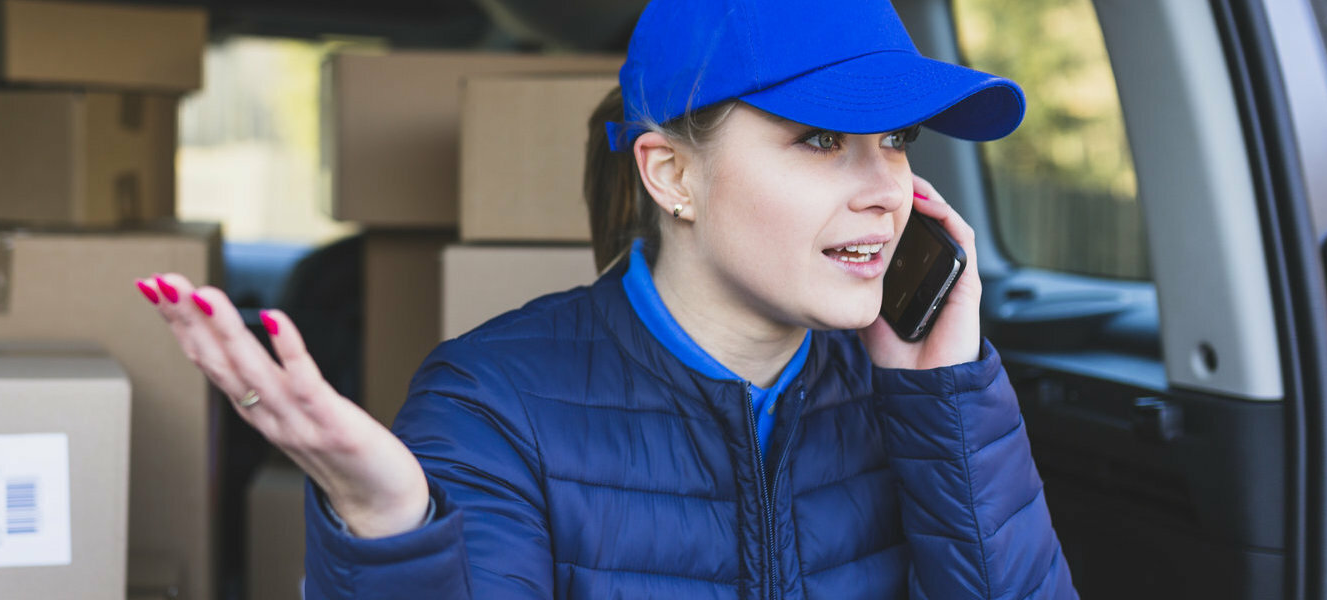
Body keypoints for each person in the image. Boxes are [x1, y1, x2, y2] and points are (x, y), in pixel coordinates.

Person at [135, 0, 1077, 596]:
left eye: (899, 137)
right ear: (671, 175)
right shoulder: (490, 403)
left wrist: (946, 408)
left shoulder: (914, 389)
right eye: (823, 140)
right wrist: (388, 533)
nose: (884, 187)